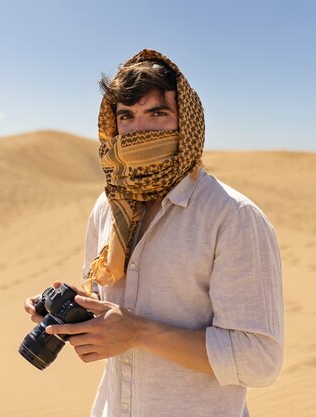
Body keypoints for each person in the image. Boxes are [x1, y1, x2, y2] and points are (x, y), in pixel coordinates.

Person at [24, 49, 284, 417]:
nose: (138, 130)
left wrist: (138, 332)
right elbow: (108, 304)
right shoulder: (110, 206)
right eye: (127, 116)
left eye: (157, 114)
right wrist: (67, 306)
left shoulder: (233, 217)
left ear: (187, 122)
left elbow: (259, 361)